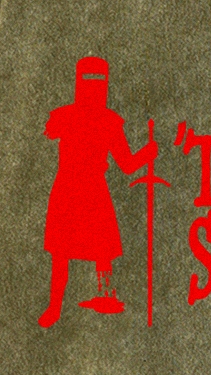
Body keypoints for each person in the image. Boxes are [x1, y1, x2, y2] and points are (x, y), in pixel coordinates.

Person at [38, 56, 158, 327]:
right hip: (72, 187)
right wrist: (148, 153)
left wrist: (146, 155)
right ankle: (56, 306)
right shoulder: (70, 117)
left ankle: (101, 296)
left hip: (88, 186)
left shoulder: (106, 121)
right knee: (64, 251)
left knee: (98, 248)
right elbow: (128, 165)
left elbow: (126, 164)